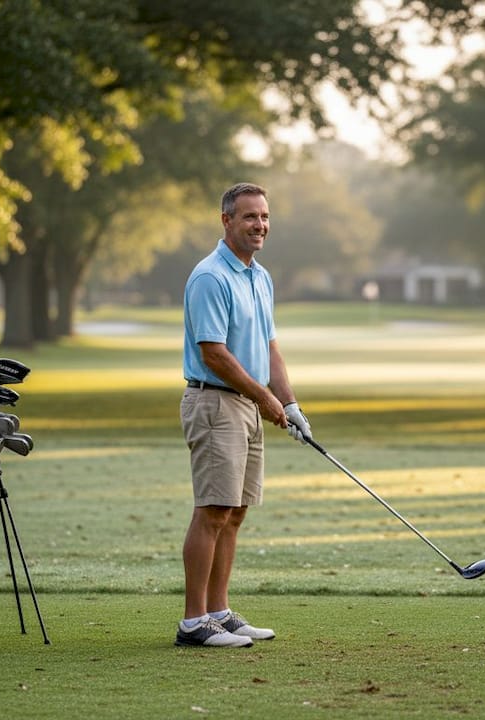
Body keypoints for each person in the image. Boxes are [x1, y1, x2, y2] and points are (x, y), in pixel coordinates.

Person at [175, 182, 313, 648]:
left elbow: (270, 346)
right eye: (250, 217)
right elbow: (214, 354)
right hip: (215, 401)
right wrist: (265, 398)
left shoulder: (260, 276)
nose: (260, 225)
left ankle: (219, 611)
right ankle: (194, 621)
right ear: (227, 221)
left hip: (246, 404)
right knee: (213, 509)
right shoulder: (211, 276)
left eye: (265, 217)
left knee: (234, 513)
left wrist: (289, 402)